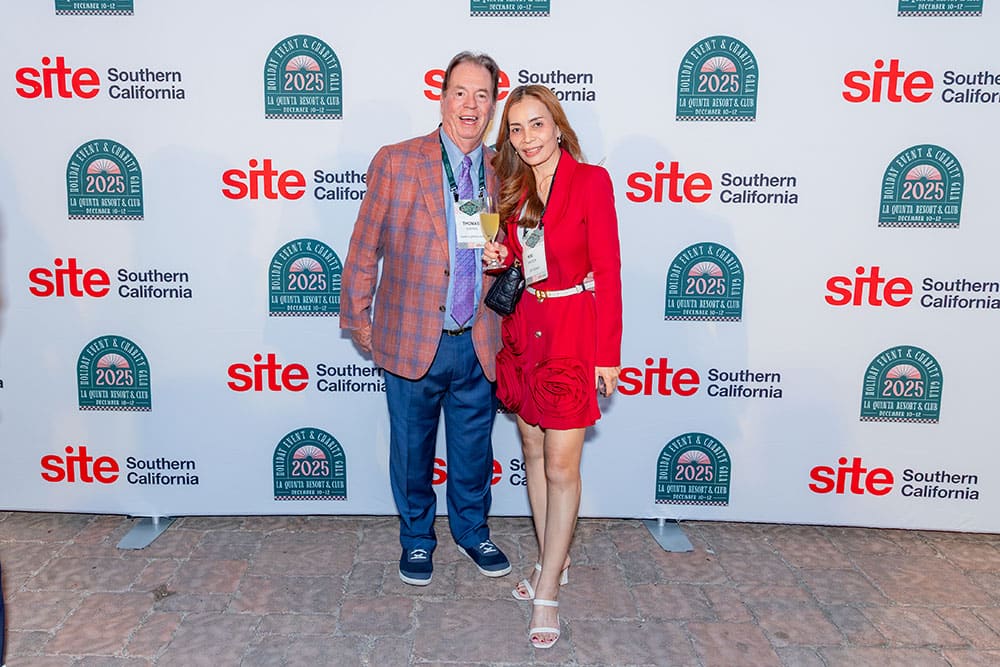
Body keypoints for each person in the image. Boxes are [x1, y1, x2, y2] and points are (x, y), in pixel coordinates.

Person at [341, 51, 511, 587]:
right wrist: (359, 318)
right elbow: (364, 246)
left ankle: (472, 531)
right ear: (441, 98)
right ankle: (417, 537)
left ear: (493, 104)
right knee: (412, 451)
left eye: (481, 95)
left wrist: (503, 254)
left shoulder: (503, 171)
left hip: (478, 338)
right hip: (412, 336)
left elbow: (512, 244)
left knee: (474, 452)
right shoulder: (398, 161)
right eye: (460, 92)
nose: (470, 105)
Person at [483, 84, 622, 649]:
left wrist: (608, 354)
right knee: (534, 452)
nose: (527, 138)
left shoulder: (591, 182)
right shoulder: (512, 189)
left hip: (571, 333)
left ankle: (547, 592)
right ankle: (551, 561)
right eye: (516, 129)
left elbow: (608, 271)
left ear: (558, 126)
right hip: (524, 331)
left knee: (563, 466)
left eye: (536, 125)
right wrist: (499, 256)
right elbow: (517, 260)